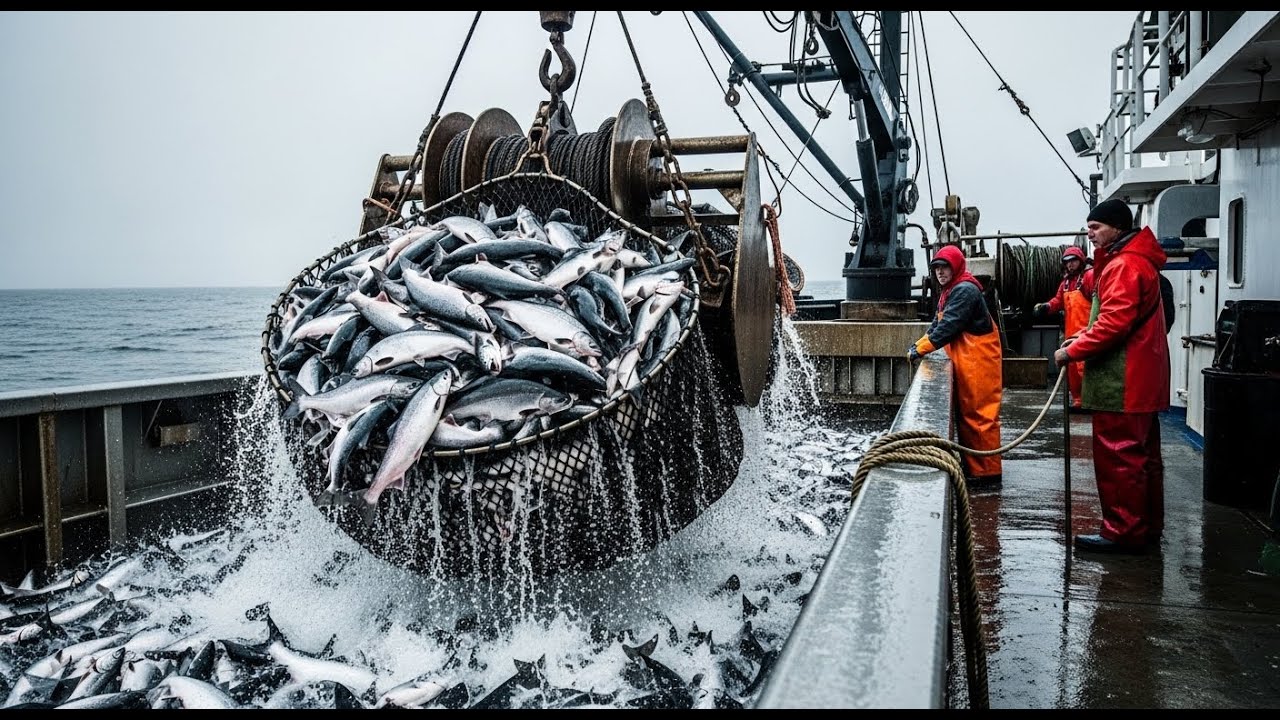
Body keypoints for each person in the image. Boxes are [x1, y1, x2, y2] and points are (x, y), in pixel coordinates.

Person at [1053, 198, 1169, 554]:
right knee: (1144, 457)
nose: (1090, 235)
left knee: (1119, 456)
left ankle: (1122, 531)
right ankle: (1146, 527)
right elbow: (1118, 321)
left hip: (1123, 382)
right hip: (1143, 378)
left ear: (1118, 227)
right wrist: (1082, 336)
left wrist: (1070, 351)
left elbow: (1114, 324)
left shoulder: (1123, 266)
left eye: (1096, 228)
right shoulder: (1139, 263)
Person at [909, 244, 1004, 485]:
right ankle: (975, 467)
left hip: (979, 362)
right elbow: (936, 325)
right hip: (967, 360)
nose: (940, 272)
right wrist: (917, 344)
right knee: (967, 416)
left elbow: (948, 327)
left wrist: (920, 350)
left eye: (945, 267)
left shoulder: (964, 291)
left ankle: (988, 474)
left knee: (981, 416)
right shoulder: (949, 291)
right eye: (937, 268)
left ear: (956, 267)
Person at [1033, 245, 1095, 411]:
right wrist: (1046, 306)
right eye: (1067, 262)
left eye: (1073, 261)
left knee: (1085, 369)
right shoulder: (1065, 284)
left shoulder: (1090, 277)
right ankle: (1078, 402)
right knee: (1072, 371)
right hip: (1069, 336)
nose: (1070, 265)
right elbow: (1057, 301)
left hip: (1086, 334)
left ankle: (1091, 402)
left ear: (1081, 260)